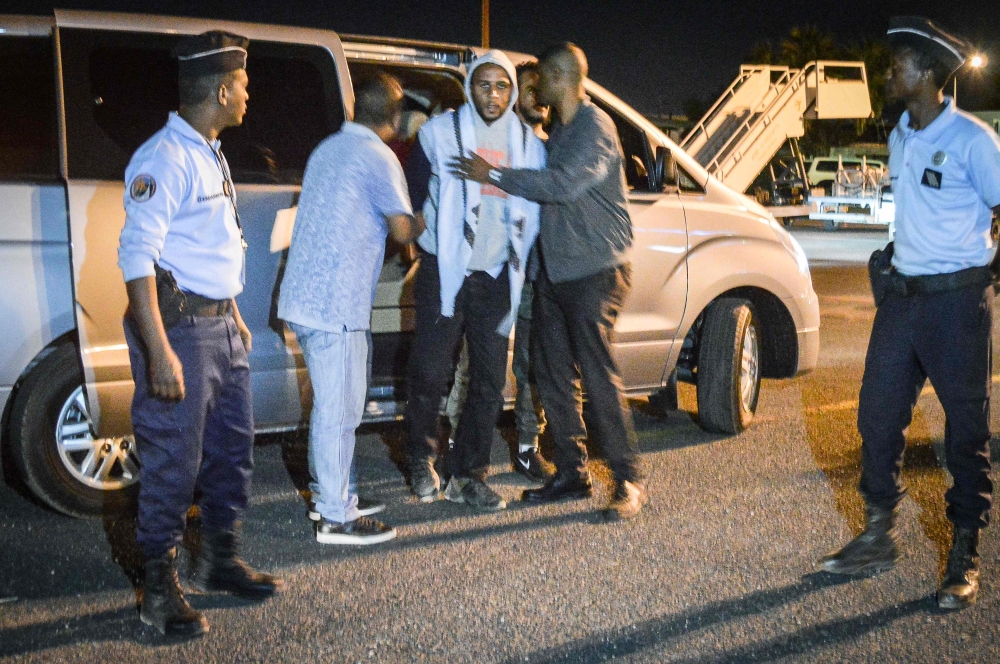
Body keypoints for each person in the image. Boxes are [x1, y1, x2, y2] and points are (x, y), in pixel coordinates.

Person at [819, 17, 1000, 611]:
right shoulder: (899, 136)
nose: (889, 72)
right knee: (876, 417)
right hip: (902, 302)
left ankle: (964, 551)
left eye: (899, 64)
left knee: (965, 432)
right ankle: (877, 535)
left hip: (957, 304)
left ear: (927, 74)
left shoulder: (976, 140)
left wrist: (984, 279)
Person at [117, 31, 280, 638]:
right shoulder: (164, 159)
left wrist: (233, 315)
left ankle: (218, 559)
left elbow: (207, 246)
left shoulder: (208, 149)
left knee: (232, 451)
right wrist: (159, 351)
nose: (247, 93)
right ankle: (157, 592)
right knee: (172, 462)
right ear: (219, 89)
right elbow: (138, 259)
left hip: (220, 324)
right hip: (181, 332)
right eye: (242, 84)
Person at [449, 43, 647, 521]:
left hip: (595, 270)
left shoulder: (593, 127)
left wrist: (492, 173)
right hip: (559, 273)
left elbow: (562, 185)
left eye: (541, 80)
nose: (534, 88)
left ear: (561, 77)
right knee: (553, 375)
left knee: (598, 376)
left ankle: (628, 480)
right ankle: (572, 472)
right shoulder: (559, 130)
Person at [278, 74, 423, 545]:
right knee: (338, 413)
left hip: (311, 296)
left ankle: (341, 495)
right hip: (334, 302)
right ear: (394, 115)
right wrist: (435, 209)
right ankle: (336, 517)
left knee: (339, 407)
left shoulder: (329, 149)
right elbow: (403, 231)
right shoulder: (378, 156)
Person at [403, 50, 546, 510]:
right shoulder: (440, 134)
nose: (493, 94)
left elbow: (537, 203)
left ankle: (469, 475)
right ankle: (420, 461)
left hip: (496, 275)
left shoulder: (528, 145)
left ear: (513, 90)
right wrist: (417, 235)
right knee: (429, 373)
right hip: (445, 274)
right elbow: (408, 195)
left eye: (502, 85)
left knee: (488, 381)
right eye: (484, 85)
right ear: (469, 88)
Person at [444, 60, 554, 484]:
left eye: (539, 90)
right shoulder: (488, 138)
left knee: (531, 367)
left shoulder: (547, 146)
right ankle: (459, 447)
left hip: (536, 274)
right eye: (529, 89)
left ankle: (527, 449)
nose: (537, 98)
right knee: (473, 367)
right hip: (497, 273)